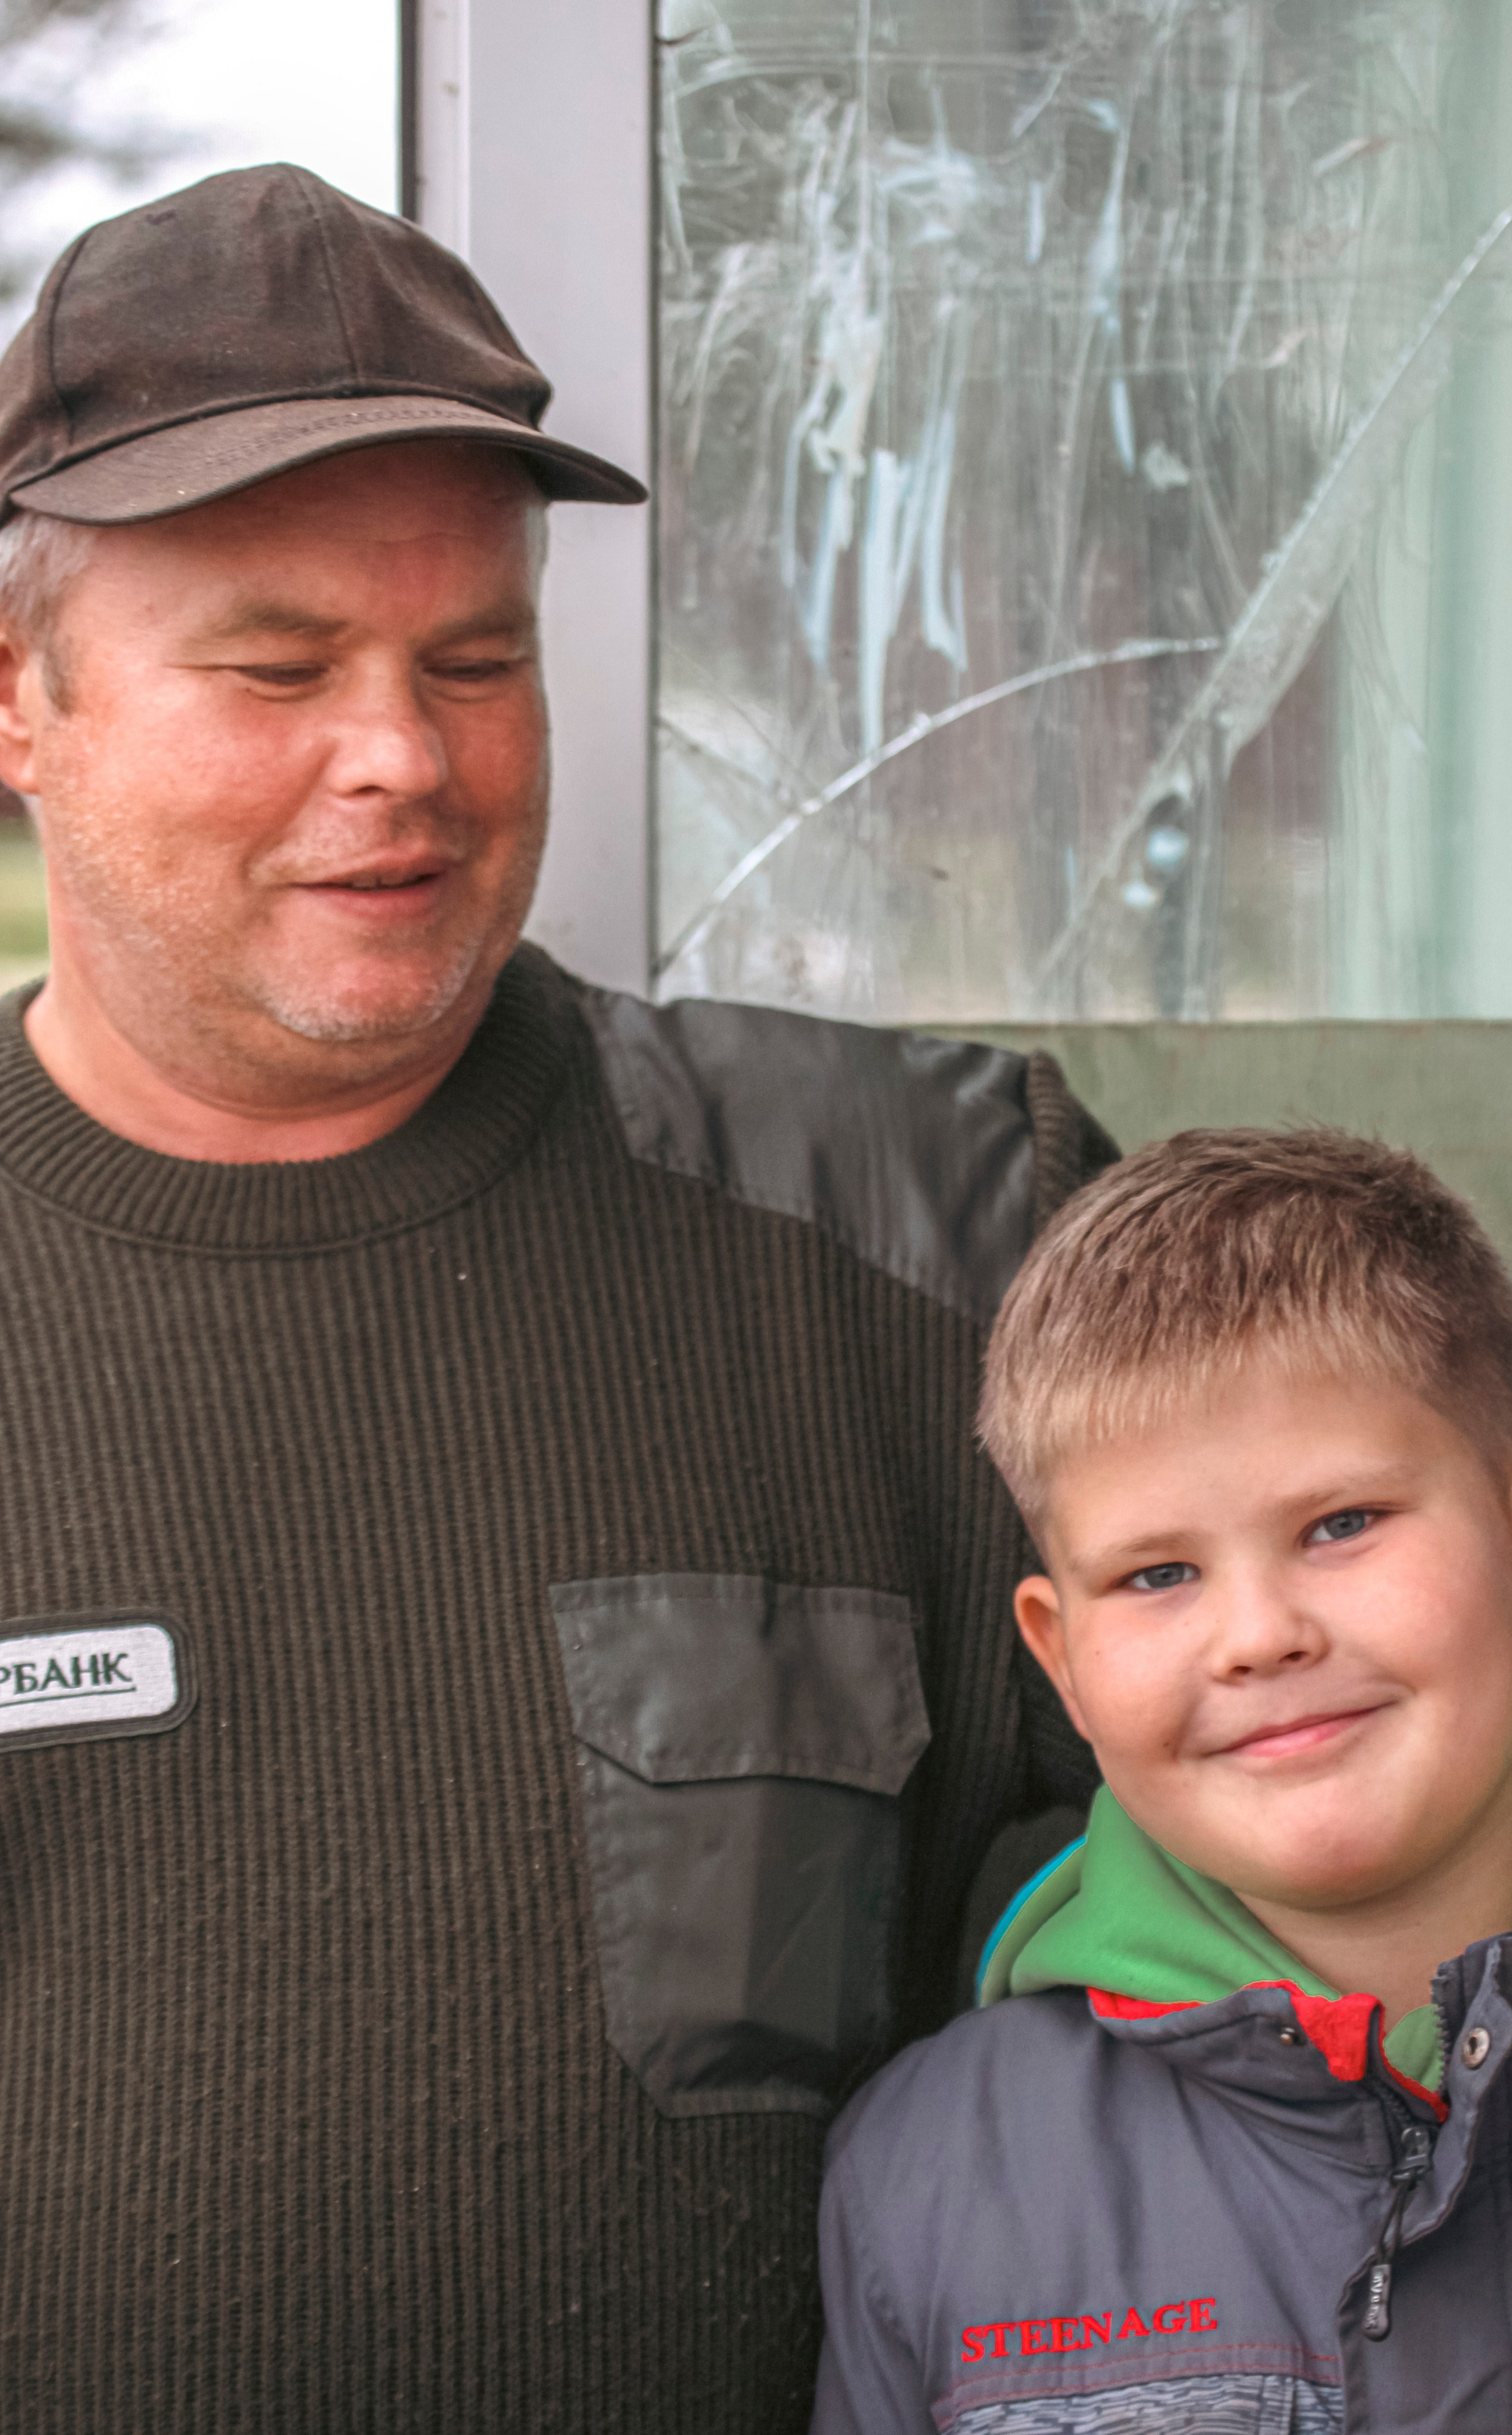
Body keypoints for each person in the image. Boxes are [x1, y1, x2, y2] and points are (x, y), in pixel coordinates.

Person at [0, 166, 1117, 2432]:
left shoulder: (941, 1221)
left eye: (475, 661)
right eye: (279, 668)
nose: (403, 755)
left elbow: (1478, 1620)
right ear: (23, 706)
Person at [811, 1127, 1512, 2434]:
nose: (1257, 1636)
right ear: (1062, 1663)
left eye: (1341, 1524)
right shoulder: (930, 2169)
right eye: (1157, 1575)